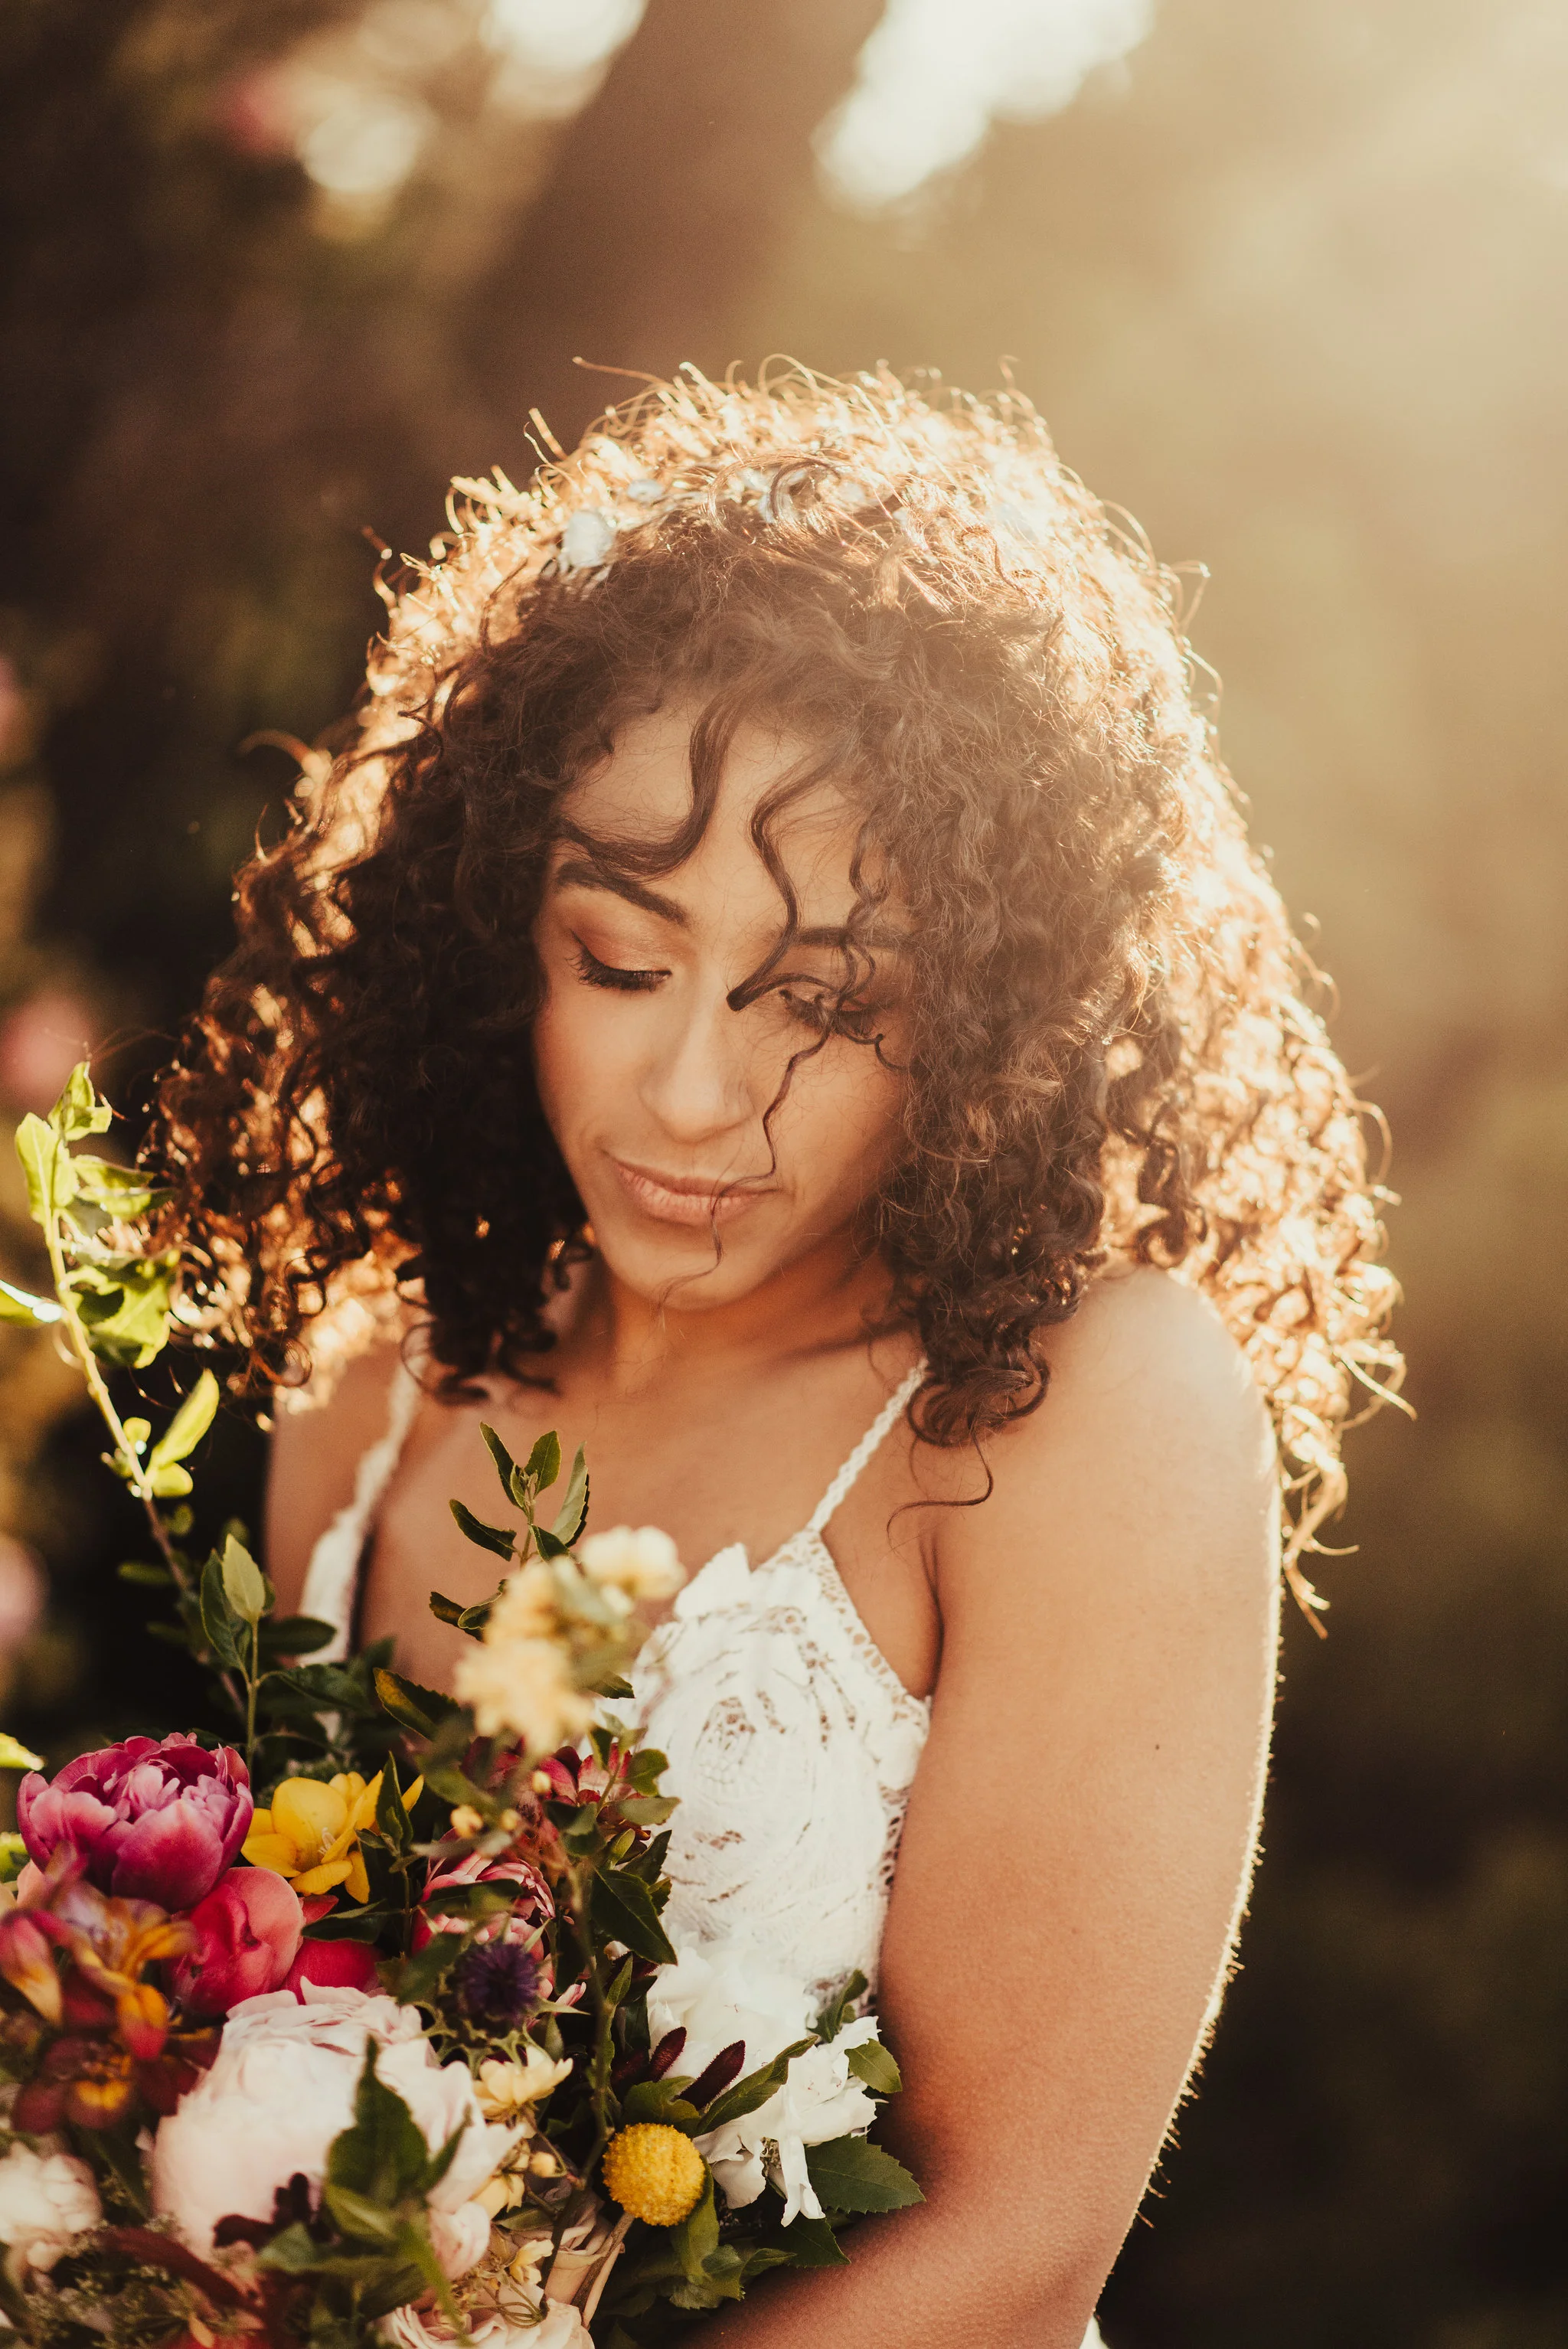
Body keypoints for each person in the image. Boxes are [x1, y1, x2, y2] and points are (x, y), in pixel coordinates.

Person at [153, 366, 1400, 2347]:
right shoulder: (368, 1390)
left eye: (816, 995)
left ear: (998, 1017)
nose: (693, 1083)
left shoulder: (1089, 1415)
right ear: (498, 931)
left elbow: (1020, 2240)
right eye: (621, 960)